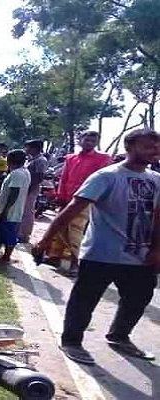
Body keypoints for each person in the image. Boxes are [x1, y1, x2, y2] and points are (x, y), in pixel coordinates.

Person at [34, 128, 160, 365]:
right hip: (102, 254)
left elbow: (158, 217)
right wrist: (44, 240)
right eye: (149, 146)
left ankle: (119, 336)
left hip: (139, 256)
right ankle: (71, 341)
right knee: (85, 300)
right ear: (130, 147)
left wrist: (156, 249)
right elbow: (72, 209)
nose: (156, 150)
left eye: (157, 146)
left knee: (139, 298)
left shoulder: (156, 180)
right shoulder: (107, 176)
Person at [43, 131, 112, 276]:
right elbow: (64, 178)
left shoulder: (103, 158)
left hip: (85, 200)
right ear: (80, 140)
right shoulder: (71, 158)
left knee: (75, 230)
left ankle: (76, 263)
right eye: (87, 140)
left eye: (93, 141)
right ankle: (55, 257)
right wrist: (60, 195)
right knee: (60, 227)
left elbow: (103, 180)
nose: (89, 143)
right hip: (67, 198)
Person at [0, 150, 31, 262]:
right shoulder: (24, 172)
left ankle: (6, 256)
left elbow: (14, 193)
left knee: (9, 234)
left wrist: (6, 210)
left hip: (10, 211)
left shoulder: (17, 174)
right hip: (13, 209)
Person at [19, 139, 48, 242]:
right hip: (26, 187)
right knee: (22, 211)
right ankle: (20, 233)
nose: (26, 149)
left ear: (34, 148)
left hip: (32, 188)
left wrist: (29, 188)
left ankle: (25, 235)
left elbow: (39, 177)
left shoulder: (41, 160)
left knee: (28, 212)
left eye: (28, 147)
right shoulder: (31, 159)